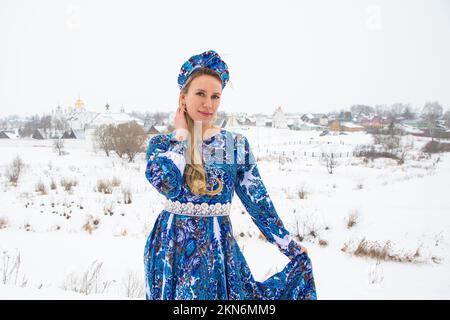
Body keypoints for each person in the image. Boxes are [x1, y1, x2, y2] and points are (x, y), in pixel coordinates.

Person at [144, 50, 317, 300]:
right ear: (183, 98)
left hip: (216, 251)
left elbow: (258, 202)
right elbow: (166, 182)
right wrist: (181, 135)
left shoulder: (235, 145)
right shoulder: (162, 144)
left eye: (215, 96)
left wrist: (289, 245)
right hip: (169, 250)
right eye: (200, 94)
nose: (209, 104)